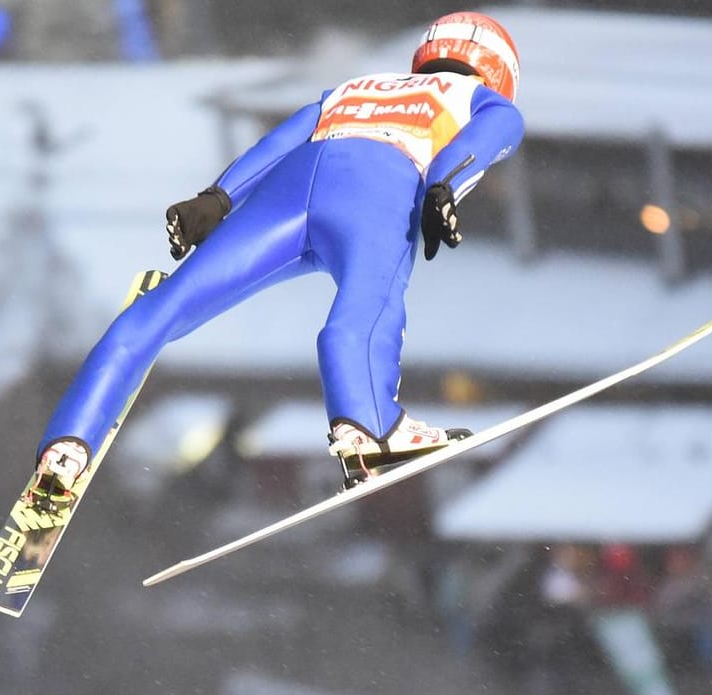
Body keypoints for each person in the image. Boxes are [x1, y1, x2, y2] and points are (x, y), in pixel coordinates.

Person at [30, 11, 525, 501]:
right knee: (366, 305)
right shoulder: (483, 100)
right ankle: (367, 428)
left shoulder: (359, 87)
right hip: (381, 183)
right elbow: (483, 140)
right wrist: (444, 189)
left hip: (293, 183)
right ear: (499, 73)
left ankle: (68, 442)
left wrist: (217, 198)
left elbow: (284, 137)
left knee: (168, 306)